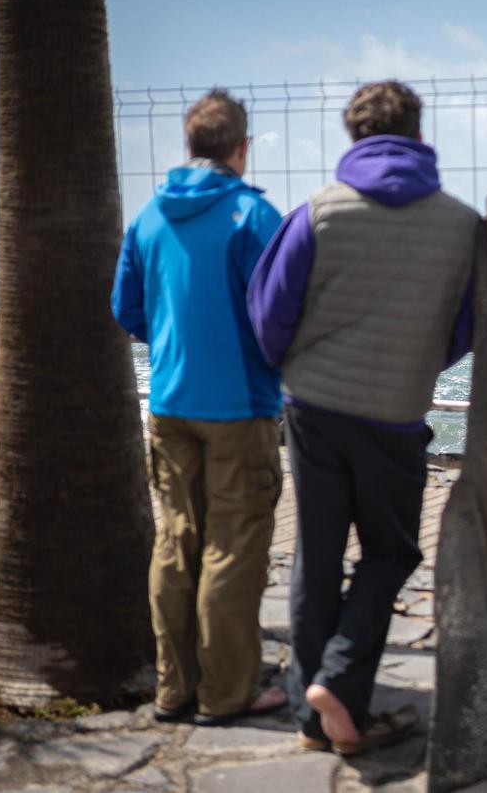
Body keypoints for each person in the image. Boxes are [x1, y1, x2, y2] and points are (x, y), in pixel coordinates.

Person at [247, 80, 476, 754]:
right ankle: (340, 687)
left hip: (312, 407)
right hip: (394, 413)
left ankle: (315, 716)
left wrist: (298, 366)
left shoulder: (317, 212)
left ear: (354, 137)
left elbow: (269, 314)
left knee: (316, 558)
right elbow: (467, 327)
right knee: (391, 551)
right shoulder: (463, 225)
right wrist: (416, 362)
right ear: (419, 134)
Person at [112, 88, 287, 726]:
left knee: (176, 539)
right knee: (233, 547)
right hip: (239, 407)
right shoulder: (252, 215)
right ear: (242, 148)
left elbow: (126, 308)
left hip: (170, 401)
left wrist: (171, 341)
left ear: (189, 145)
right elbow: (280, 312)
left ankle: (173, 688)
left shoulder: (149, 216)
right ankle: (225, 693)